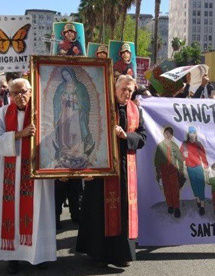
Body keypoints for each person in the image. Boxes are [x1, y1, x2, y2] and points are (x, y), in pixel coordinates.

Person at [76, 75, 146, 267]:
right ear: (114, 89)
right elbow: (86, 134)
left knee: (123, 209)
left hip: (124, 167)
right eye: (123, 89)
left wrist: (126, 136)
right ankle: (99, 253)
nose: (127, 93)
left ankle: (122, 254)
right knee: (99, 209)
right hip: (102, 167)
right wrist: (85, 167)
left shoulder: (135, 110)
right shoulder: (101, 107)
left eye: (130, 90)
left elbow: (143, 136)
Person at [0, 78, 56, 274]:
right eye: (15, 93)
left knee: (39, 212)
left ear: (31, 92)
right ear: (9, 95)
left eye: (24, 91)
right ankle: (13, 257)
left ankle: (40, 254)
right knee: (12, 213)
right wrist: (20, 134)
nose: (20, 96)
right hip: (10, 171)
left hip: (36, 170)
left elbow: (54, 137)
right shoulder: (0, 114)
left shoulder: (42, 111)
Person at [53, 67, 94, 168]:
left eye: (67, 75)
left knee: (75, 130)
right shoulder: (61, 87)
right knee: (65, 130)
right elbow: (56, 100)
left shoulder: (80, 87)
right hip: (64, 112)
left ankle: (77, 152)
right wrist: (62, 98)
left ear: (72, 74)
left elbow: (85, 101)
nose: (66, 77)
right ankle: (65, 151)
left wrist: (75, 99)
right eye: (64, 76)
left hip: (76, 112)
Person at [154, 126, 185, 218]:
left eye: (170, 134)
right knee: (167, 188)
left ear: (172, 136)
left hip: (172, 169)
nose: (168, 135)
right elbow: (156, 160)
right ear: (163, 134)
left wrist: (181, 170)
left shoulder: (174, 146)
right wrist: (158, 171)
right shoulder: (160, 146)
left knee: (174, 189)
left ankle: (176, 208)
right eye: (166, 133)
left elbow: (180, 159)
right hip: (164, 169)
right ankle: (170, 205)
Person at [179, 126, 209, 215]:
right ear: (188, 134)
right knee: (194, 185)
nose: (192, 134)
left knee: (201, 185)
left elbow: (203, 155)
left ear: (196, 134)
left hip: (198, 167)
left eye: (193, 132)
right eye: (190, 132)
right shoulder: (184, 144)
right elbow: (181, 158)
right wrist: (184, 155)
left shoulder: (199, 144)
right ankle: (198, 200)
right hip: (189, 168)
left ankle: (202, 206)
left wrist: (206, 165)